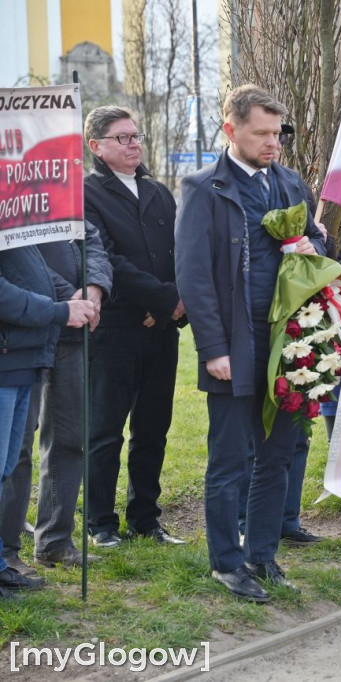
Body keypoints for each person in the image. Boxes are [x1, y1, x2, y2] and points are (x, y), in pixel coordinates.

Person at [175, 84, 326, 602]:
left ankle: (262, 556)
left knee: (278, 454)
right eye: (261, 133)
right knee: (230, 459)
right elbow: (193, 277)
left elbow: (320, 244)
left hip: (291, 344)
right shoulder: (203, 189)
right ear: (230, 129)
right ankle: (226, 561)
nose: (273, 142)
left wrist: (314, 245)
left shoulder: (289, 183)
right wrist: (212, 349)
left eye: (277, 133)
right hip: (236, 347)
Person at [83, 106, 186, 548]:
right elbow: (108, 260)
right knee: (105, 430)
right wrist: (162, 299)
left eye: (136, 135)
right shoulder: (86, 194)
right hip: (115, 328)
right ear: (97, 146)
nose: (134, 143)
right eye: (122, 137)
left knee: (153, 428)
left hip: (160, 329)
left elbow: (182, 253)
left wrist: (169, 307)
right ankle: (100, 523)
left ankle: (146, 518)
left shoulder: (159, 192)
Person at [0, 220, 111, 573]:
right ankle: (7, 549)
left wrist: (94, 289)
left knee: (68, 439)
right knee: (13, 452)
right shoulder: (14, 191)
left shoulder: (61, 186)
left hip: (72, 330)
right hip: (28, 332)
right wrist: (67, 297)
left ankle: (55, 540)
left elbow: (90, 238)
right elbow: (21, 258)